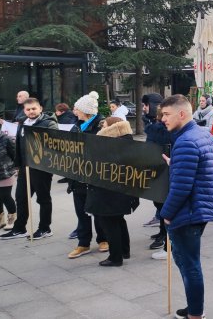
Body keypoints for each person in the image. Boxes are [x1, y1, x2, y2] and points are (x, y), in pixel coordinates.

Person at [158, 95, 213, 319]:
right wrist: (175, 163)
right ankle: (194, 307)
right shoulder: (200, 134)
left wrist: (166, 214)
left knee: (189, 265)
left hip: (189, 211)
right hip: (198, 208)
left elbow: (182, 187)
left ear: (182, 114)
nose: (163, 119)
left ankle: (195, 314)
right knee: (188, 262)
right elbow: (196, 170)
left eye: (167, 114)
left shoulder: (185, 141)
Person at [0, 98, 59, 240]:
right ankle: (20, 228)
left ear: (40, 109)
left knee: (43, 198)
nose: (31, 112)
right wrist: (18, 165)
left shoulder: (49, 123)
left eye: (34, 109)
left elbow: (55, 143)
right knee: (21, 198)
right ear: (24, 110)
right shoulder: (22, 122)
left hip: (41, 168)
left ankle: (45, 228)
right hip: (25, 167)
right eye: (28, 109)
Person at [87, 117, 140, 266]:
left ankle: (115, 257)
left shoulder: (108, 143)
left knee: (110, 223)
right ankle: (124, 250)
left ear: (111, 127)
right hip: (120, 192)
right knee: (118, 220)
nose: (101, 126)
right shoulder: (125, 141)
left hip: (108, 192)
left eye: (104, 124)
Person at [66, 92, 107, 258]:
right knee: (81, 211)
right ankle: (83, 243)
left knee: (97, 210)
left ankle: (103, 239)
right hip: (78, 176)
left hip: (95, 176)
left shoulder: (101, 125)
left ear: (86, 111)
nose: (75, 111)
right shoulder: (76, 125)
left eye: (77, 108)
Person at [142, 93, 173, 259]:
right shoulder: (152, 124)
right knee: (159, 204)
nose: (144, 108)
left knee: (164, 205)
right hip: (156, 168)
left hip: (164, 170)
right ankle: (162, 232)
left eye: (146, 105)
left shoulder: (163, 127)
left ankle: (167, 239)